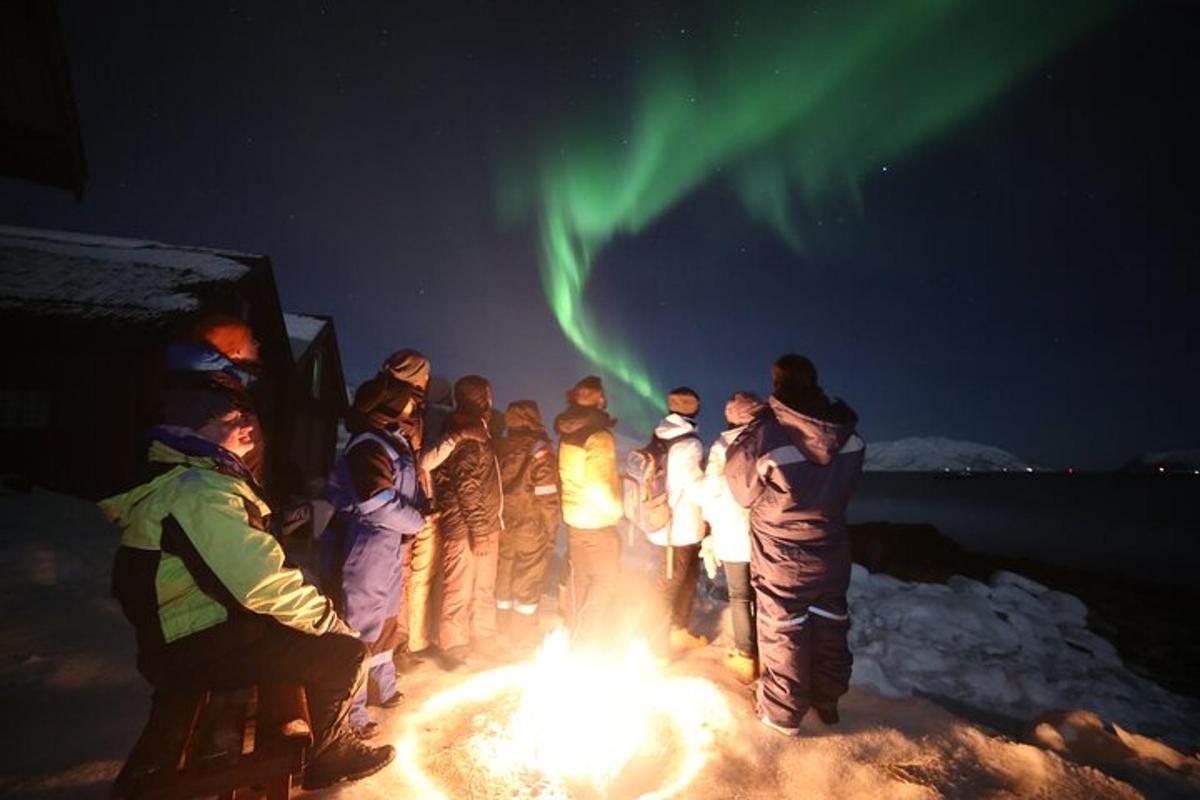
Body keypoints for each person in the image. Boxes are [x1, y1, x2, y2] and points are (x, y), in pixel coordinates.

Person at [102, 384, 394, 790]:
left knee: (309, 641)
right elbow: (260, 582)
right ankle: (327, 757)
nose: (247, 425)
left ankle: (320, 741)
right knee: (343, 653)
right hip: (192, 647)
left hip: (194, 634)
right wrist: (329, 622)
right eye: (230, 420)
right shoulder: (197, 490)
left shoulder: (197, 480)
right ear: (192, 431)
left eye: (245, 416)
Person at [724, 354, 865, 736]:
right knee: (831, 623)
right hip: (832, 549)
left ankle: (782, 715)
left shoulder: (768, 433)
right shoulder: (848, 433)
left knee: (783, 628)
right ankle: (829, 700)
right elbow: (844, 487)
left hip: (781, 554)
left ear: (777, 384)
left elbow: (739, 489)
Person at [321, 373, 426, 739]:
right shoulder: (368, 444)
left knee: (385, 619)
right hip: (364, 544)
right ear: (390, 404)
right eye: (408, 399)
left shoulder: (390, 439)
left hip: (388, 545)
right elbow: (376, 502)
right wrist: (417, 519)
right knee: (359, 626)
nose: (415, 404)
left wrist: (417, 512)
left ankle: (382, 685)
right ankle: (351, 712)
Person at [432, 375, 504, 667]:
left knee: (483, 586)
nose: (493, 398)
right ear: (481, 398)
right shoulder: (468, 434)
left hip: (482, 525)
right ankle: (454, 645)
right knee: (459, 587)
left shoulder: (476, 431)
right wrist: (479, 530)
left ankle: (483, 636)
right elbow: (467, 485)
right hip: (466, 527)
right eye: (489, 393)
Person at [702, 391, 765, 684]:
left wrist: (708, 523)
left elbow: (711, 489)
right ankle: (771, 653)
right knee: (766, 596)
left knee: (740, 596)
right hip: (766, 530)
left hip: (732, 528)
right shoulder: (768, 439)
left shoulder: (722, 445)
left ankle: (745, 656)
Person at [553, 375, 623, 642]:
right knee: (604, 582)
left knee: (578, 580)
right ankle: (589, 641)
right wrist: (616, 511)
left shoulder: (567, 432)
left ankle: (573, 634)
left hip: (575, 519)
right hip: (598, 521)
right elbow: (599, 486)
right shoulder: (599, 436)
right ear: (601, 400)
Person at [644, 387, 709, 656]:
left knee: (685, 577)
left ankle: (678, 631)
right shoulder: (689, 443)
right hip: (680, 527)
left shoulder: (659, 434)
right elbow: (695, 487)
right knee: (670, 582)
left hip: (662, 520)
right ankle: (653, 645)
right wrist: (717, 484)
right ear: (694, 409)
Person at [494, 400, 561, 648]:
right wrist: (551, 529)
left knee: (504, 575)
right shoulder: (539, 450)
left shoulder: (499, 446)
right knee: (528, 579)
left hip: (502, 524)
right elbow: (547, 496)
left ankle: (502, 629)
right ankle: (523, 638)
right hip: (531, 526)